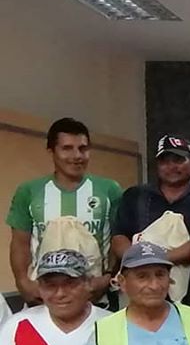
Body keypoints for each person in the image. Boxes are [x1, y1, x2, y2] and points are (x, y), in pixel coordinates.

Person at [7, 116, 121, 306]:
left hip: (96, 298)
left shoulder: (110, 189)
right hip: (44, 298)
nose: (77, 156)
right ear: (51, 151)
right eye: (67, 148)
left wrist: (108, 276)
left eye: (83, 148)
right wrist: (23, 282)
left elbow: (118, 238)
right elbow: (20, 243)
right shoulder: (29, 191)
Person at [112, 135, 190, 310]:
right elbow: (119, 237)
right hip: (139, 296)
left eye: (178, 160)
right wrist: (137, 260)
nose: (171, 167)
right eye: (165, 161)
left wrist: (153, 259)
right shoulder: (135, 196)